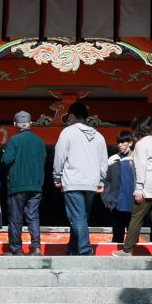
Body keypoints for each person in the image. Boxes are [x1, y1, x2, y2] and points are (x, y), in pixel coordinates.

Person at [52, 101, 107, 256]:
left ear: (71, 116)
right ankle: (72, 249)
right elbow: (104, 161)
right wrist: (101, 181)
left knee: (77, 218)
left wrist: (57, 177)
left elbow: (59, 157)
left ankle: (85, 250)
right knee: (81, 218)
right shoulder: (99, 136)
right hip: (91, 183)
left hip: (73, 181)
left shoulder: (67, 133)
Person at [116, 118, 152, 256]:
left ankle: (127, 249)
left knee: (136, 217)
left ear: (137, 131)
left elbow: (141, 167)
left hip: (147, 185)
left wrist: (139, 189)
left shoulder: (141, 145)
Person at [0, 110, 46, 255]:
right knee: (33, 216)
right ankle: (36, 246)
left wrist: (3, 153)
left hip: (17, 185)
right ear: (30, 123)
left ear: (15, 124)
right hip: (36, 186)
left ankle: (16, 249)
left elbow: (6, 160)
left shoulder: (14, 140)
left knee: (16, 217)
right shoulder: (39, 141)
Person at [101, 131, 137, 244]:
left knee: (133, 239)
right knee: (117, 238)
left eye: (123, 142)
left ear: (130, 143)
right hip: (117, 204)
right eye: (118, 143)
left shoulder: (138, 158)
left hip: (135, 204)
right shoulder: (113, 159)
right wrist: (108, 200)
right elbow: (105, 181)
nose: (120, 145)